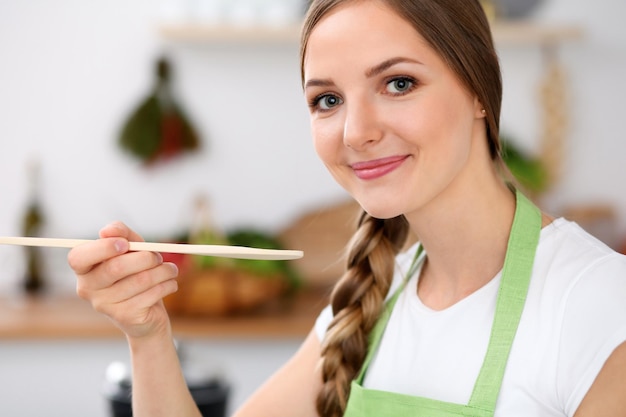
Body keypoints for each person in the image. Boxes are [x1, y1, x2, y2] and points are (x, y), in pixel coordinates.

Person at [68, 0, 626, 416]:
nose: (356, 133)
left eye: (398, 83)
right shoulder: (371, 301)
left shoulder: (597, 305)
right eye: (327, 100)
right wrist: (147, 335)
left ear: (480, 89)